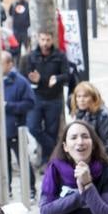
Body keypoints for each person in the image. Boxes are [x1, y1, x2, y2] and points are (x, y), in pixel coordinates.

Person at [23, 29, 69, 162]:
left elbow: (66, 75)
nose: (45, 43)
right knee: (32, 127)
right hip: (37, 97)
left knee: (52, 131)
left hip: (54, 99)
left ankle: (47, 160)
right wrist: (34, 80)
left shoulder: (60, 56)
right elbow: (27, 76)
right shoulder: (32, 56)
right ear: (38, 39)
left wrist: (57, 78)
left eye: (48, 40)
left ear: (52, 40)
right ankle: (56, 148)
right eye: (42, 40)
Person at [2, 51, 35, 198]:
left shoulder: (21, 82)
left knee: (23, 160)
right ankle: (6, 188)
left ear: (10, 64)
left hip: (15, 127)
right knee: (3, 161)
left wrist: (9, 106)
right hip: (0, 129)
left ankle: (31, 189)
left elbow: (30, 103)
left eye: (1, 63)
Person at [70, 81, 108, 155]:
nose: (81, 100)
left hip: (98, 160)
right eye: (78, 96)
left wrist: (92, 157)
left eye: (85, 96)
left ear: (93, 98)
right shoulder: (79, 113)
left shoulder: (103, 116)